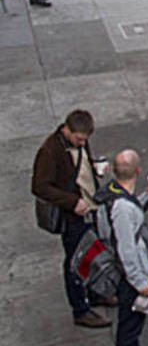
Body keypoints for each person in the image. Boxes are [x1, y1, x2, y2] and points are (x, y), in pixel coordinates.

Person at [31, 109, 111, 329]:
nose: (82, 142)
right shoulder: (50, 151)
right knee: (76, 260)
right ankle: (80, 309)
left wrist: (94, 168)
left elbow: (81, 165)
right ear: (67, 129)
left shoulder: (79, 143)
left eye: (85, 139)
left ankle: (94, 292)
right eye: (79, 139)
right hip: (72, 215)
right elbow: (39, 186)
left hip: (88, 207)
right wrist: (70, 201)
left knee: (92, 252)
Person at [98, 149, 148, 346]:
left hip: (129, 270)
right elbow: (126, 247)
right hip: (130, 275)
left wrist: (147, 197)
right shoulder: (122, 208)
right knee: (129, 323)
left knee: (133, 321)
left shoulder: (118, 194)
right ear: (138, 171)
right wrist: (139, 282)